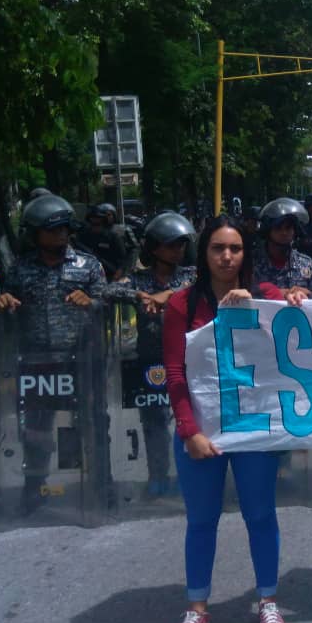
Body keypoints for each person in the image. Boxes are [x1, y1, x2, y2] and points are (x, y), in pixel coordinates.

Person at [162, 215, 298, 623]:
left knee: (261, 516)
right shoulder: (182, 304)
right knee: (201, 521)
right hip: (202, 432)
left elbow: (298, 332)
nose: (226, 256)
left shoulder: (266, 296)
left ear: (245, 254)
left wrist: (286, 301)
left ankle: (268, 600)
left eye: (235, 248)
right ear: (204, 254)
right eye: (218, 248)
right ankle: (197, 607)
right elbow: (174, 372)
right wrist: (189, 431)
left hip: (253, 430)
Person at [0, 194, 107, 513]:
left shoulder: (88, 265)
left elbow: (106, 302)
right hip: (37, 363)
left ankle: (98, 485)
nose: (60, 235)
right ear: (35, 232)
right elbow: (11, 303)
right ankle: (35, 488)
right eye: (52, 229)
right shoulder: (20, 269)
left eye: (64, 229)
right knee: (36, 429)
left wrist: (92, 302)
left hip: (81, 360)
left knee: (90, 424)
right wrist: (6, 302)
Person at [103, 212, 196, 497]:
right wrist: (139, 297)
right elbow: (106, 291)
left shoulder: (191, 275)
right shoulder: (139, 281)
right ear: (154, 248)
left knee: (189, 420)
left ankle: (189, 475)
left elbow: (201, 288)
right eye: (171, 245)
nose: (177, 250)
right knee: (153, 423)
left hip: (187, 361)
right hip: (151, 362)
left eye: (181, 244)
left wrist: (168, 295)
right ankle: (158, 475)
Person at [253, 197, 312, 302]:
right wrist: (274, 293)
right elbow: (242, 297)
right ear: (268, 231)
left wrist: (307, 294)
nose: (284, 233)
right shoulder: (252, 262)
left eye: (288, 228)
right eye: (278, 228)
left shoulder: (307, 264)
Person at [75, 203, 128, 281]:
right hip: (87, 275)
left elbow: (123, 259)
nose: (95, 226)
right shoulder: (83, 237)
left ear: (104, 221)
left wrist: (118, 273)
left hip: (109, 275)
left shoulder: (113, 237)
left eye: (98, 224)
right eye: (92, 223)